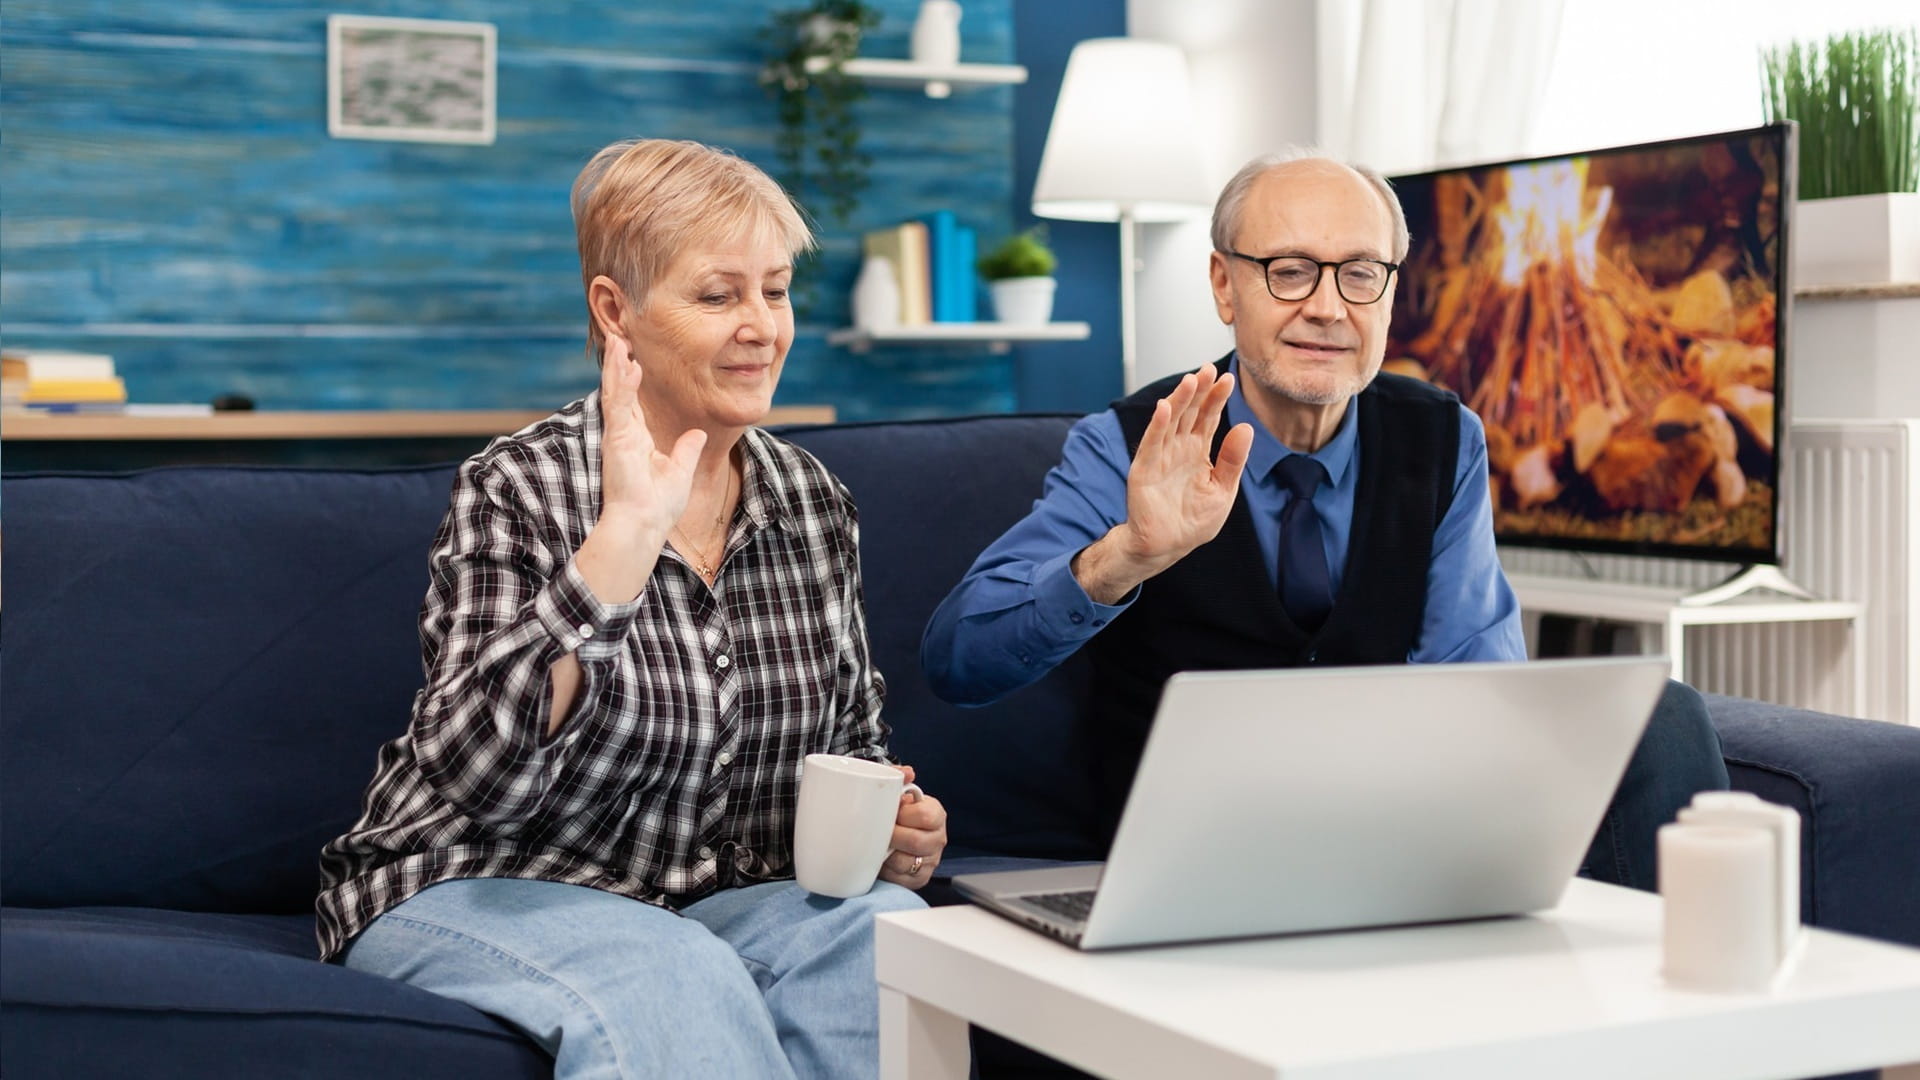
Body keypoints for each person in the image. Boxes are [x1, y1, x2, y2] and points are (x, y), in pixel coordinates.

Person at [922, 148, 1725, 889]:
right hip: (1195, 853)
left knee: (1666, 716)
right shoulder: (1135, 445)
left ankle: (1668, 1025)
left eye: (1360, 274)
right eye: (1290, 271)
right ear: (1223, 285)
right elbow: (958, 658)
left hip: (1388, 829)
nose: (1328, 308)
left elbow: (1474, 681)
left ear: (1390, 292)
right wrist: (1126, 555)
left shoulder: (1445, 438)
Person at [316, 138, 947, 1080]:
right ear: (616, 312)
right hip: (475, 884)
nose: (762, 327)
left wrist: (892, 830)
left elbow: (849, 742)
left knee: (889, 939)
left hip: (705, 898)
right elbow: (477, 776)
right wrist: (622, 542)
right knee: (672, 968)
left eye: (774, 291)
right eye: (717, 294)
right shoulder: (520, 485)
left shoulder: (813, 502)